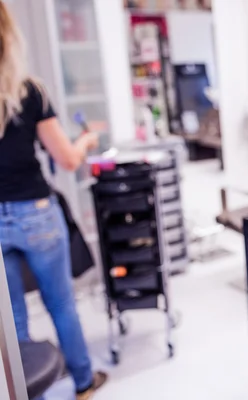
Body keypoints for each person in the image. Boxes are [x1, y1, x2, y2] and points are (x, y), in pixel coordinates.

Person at [0, 3, 106, 400]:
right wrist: (86, 141)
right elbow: (66, 159)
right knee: (61, 303)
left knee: (10, 321)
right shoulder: (28, 90)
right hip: (36, 213)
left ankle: (29, 391)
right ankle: (83, 382)